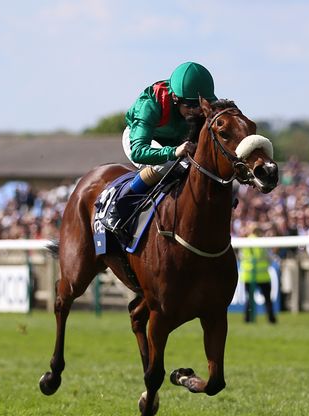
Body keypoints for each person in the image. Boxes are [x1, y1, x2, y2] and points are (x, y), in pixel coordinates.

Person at [101, 61, 218, 234]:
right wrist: (173, 152)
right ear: (176, 98)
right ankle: (119, 207)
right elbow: (139, 151)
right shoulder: (151, 104)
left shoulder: (199, 101)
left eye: (200, 105)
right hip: (141, 140)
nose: (197, 112)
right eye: (191, 106)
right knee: (167, 164)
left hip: (175, 141)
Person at [239, 225, 277, 324]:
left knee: (249, 299)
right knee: (267, 300)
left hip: (248, 275)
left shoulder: (245, 241)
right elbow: (269, 258)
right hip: (263, 275)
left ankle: (247, 319)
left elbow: (241, 257)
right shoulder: (262, 242)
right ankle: (271, 319)